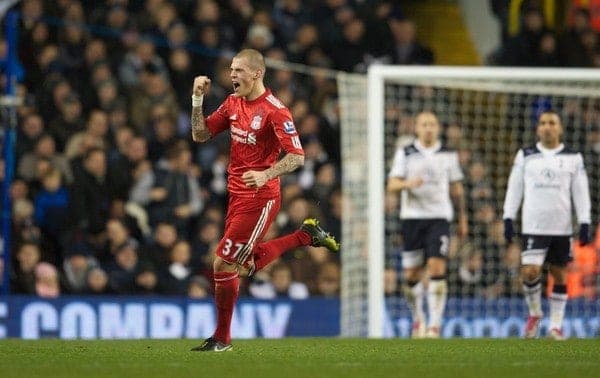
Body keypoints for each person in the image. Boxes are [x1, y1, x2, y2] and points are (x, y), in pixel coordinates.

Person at [188, 49, 339, 352]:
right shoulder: (232, 103)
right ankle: (303, 236)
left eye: (239, 70)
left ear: (257, 73)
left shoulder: (275, 110)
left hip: (260, 198)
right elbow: (200, 135)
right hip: (235, 194)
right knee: (244, 264)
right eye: (231, 70)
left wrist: (266, 174)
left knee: (223, 262)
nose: (232, 75)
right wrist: (196, 100)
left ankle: (222, 338)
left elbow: (297, 156)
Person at [502, 110, 591, 340]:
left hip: (561, 228)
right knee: (529, 272)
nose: (547, 127)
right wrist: (508, 216)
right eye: (543, 123)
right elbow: (515, 187)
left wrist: (584, 221)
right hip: (534, 226)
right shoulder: (526, 155)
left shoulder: (574, 157)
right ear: (537, 128)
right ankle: (534, 313)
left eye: (552, 123)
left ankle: (556, 327)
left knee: (559, 275)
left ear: (560, 128)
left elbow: (580, 192)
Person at [387, 111, 468, 338]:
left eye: (432, 124)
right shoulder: (406, 153)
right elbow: (392, 185)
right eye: (424, 124)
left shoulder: (448, 154)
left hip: (439, 217)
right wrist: (408, 184)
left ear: (438, 128)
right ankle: (418, 319)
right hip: (412, 218)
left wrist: (463, 218)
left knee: (436, 268)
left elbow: (457, 189)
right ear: (416, 128)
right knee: (411, 275)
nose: (428, 128)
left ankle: (434, 324)